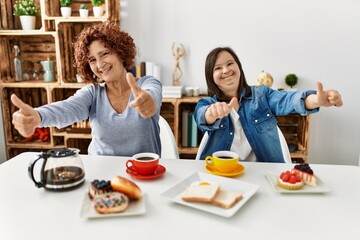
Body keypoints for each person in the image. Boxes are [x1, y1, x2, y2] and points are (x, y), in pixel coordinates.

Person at [11, 20, 162, 157]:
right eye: (92, 60)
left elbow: (152, 95)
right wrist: (37, 117)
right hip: (101, 177)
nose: (100, 64)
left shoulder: (147, 83)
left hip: (145, 174)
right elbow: (66, 108)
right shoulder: (93, 94)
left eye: (105, 54)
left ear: (121, 53)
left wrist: (148, 103)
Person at [194, 47, 343, 163]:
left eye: (229, 63)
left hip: (262, 173)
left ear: (239, 67)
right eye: (217, 68)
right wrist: (211, 114)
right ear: (211, 76)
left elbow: (288, 100)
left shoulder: (261, 95)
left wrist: (315, 100)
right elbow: (201, 115)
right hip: (220, 173)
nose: (225, 70)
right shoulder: (208, 103)